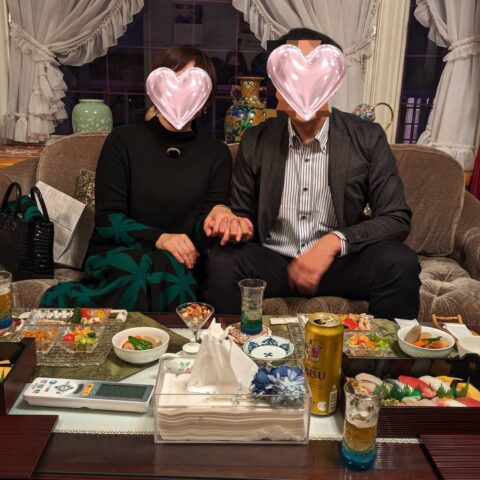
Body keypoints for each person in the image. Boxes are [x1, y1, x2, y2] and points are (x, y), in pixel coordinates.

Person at [206, 28, 421, 320]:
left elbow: (396, 218)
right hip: (275, 262)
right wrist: (234, 222)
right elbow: (243, 215)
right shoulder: (256, 139)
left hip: (340, 263)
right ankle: (231, 347)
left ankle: (379, 351)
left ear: (331, 84)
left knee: (399, 262)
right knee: (223, 260)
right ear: (277, 88)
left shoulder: (367, 137)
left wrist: (333, 242)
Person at [41, 45, 250, 311]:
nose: (181, 94)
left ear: (206, 99)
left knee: (171, 271)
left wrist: (217, 222)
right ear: (157, 88)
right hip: (118, 253)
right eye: (175, 82)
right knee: (137, 271)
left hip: (179, 260)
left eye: (192, 86)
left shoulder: (216, 153)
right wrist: (160, 238)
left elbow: (203, 228)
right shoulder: (123, 140)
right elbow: (108, 221)